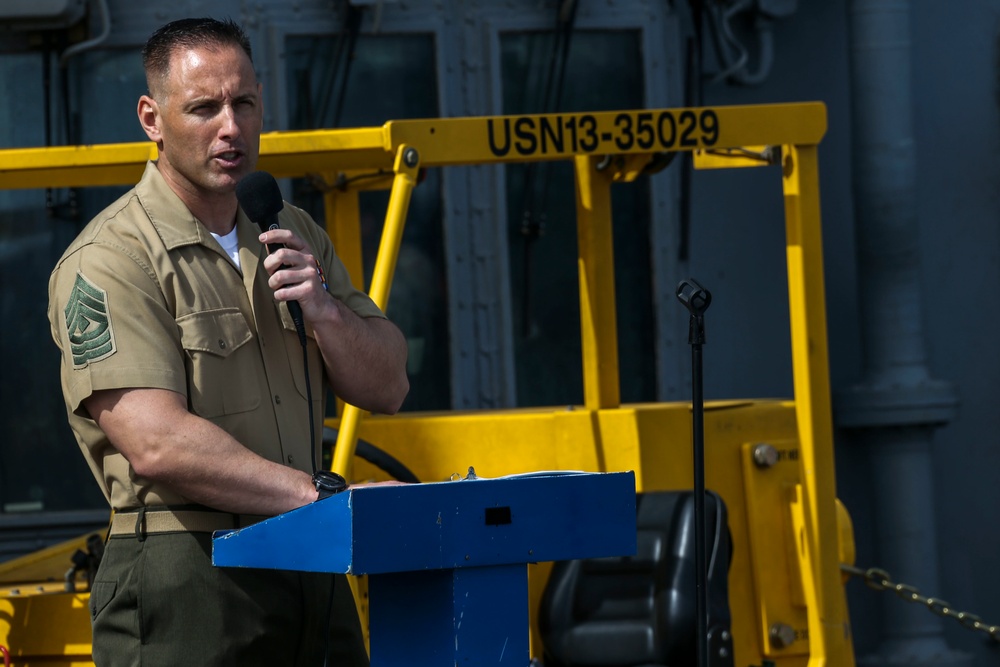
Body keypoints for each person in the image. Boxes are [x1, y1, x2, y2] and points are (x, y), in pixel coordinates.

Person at [46, 16, 409, 667]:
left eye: (244, 103)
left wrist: (324, 309)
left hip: (312, 565)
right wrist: (321, 497)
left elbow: (388, 385)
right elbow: (157, 442)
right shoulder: (110, 258)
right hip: (188, 573)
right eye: (204, 108)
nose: (231, 127)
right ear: (151, 118)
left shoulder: (290, 230)